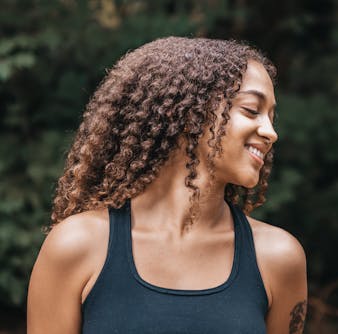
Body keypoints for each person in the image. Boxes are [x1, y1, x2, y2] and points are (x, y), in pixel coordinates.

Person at [27, 37, 307, 334]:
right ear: (187, 113)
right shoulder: (76, 246)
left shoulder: (278, 257)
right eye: (252, 110)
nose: (270, 132)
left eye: (272, 117)